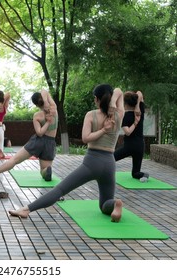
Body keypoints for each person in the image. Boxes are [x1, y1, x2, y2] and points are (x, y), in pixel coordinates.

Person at [9, 84, 125, 223]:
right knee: (105, 203)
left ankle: (26, 210)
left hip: (92, 163)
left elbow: (85, 138)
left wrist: (102, 131)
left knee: (60, 190)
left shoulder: (91, 115)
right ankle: (116, 204)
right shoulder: (118, 115)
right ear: (111, 98)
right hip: (109, 163)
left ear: (96, 99)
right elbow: (119, 91)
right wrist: (113, 103)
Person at [0, 89, 58, 181]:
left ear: (36, 105)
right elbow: (44, 91)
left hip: (38, 142)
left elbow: (40, 133)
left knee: (14, 160)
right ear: (43, 99)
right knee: (43, 169)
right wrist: (47, 104)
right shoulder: (54, 109)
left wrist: (47, 121)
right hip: (50, 143)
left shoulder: (37, 115)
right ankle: (46, 171)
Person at [114, 90, 149, 181]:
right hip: (140, 146)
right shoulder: (139, 111)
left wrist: (135, 123)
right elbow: (140, 93)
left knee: (111, 158)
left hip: (129, 147)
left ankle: (103, 173)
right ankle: (144, 175)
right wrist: (137, 106)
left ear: (125, 103)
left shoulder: (124, 116)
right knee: (135, 173)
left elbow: (128, 132)